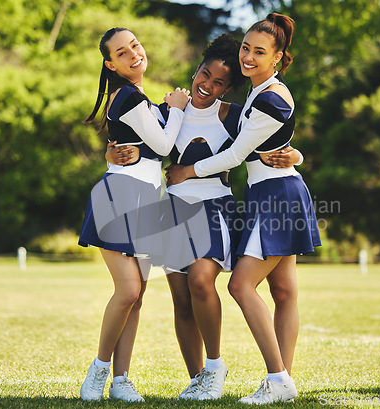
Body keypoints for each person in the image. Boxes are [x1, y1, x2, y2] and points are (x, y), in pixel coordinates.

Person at [109, 33, 304, 401]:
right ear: (196, 69)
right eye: (205, 75)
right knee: (182, 301)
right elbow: (131, 140)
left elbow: (274, 140)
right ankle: (200, 377)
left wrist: (296, 157)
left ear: (229, 88)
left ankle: (216, 367)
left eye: (219, 82)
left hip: (216, 208)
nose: (208, 85)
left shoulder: (234, 116)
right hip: (172, 210)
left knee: (202, 279)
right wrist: (111, 154)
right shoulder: (169, 111)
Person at [165, 13, 321, 405]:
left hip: (277, 196)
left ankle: (279, 379)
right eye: (246, 49)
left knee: (240, 285)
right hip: (266, 192)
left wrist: (186, 171)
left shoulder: (270, 96)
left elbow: (236, 154)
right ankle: (281, 381)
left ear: (278, 57)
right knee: (283, 291)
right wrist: (296, 155)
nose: (249, 57)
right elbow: (278, 143)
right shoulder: (259, 90)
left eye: (259, 52)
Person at [77, 27, 190, 402]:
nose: (134, 54)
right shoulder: (126, 95)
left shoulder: (139, 97)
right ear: (111, 64)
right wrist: (175, 108)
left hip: (146, 198)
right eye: (122, 53)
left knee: (137, 295)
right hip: (119, 196)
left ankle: (121, 381)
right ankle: (99, 369)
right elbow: (163, 143)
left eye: (136, 45)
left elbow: (152, 147)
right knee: (128, 291)